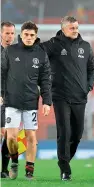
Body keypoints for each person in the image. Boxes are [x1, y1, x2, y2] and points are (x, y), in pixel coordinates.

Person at [41, 16, 94, 181]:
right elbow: (34, 53)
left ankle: (64, 160)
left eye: (77, 27)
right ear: (64, 29)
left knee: (78, 134)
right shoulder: (53, 44)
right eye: (72, 28)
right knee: (64, 131)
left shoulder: (85, 47)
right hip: (60, 96)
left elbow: (93, 69)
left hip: (80, 96)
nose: (75, 30)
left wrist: (88, 87)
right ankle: (65, 168)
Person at [1, 21, 52, 180]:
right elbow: (2, 74)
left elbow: (45, 80)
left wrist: (47, 102)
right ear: (21, 35)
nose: (29, 38)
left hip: (31, 102)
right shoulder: (10, 51)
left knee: (31, 136)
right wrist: (1, 93)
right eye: (26, 35)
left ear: (35, 36)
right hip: (12, 101)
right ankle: (14, 161)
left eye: (32, 35)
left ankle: (29, 170)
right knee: (11, 136)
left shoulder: (41, 54)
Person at [1, 21, 15, 179]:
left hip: (11, 98)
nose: (10, 36)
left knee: (7, 133)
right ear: (1, 33)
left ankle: (4, 169)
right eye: (7, 33)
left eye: (12, 33)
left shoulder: (18, 53)